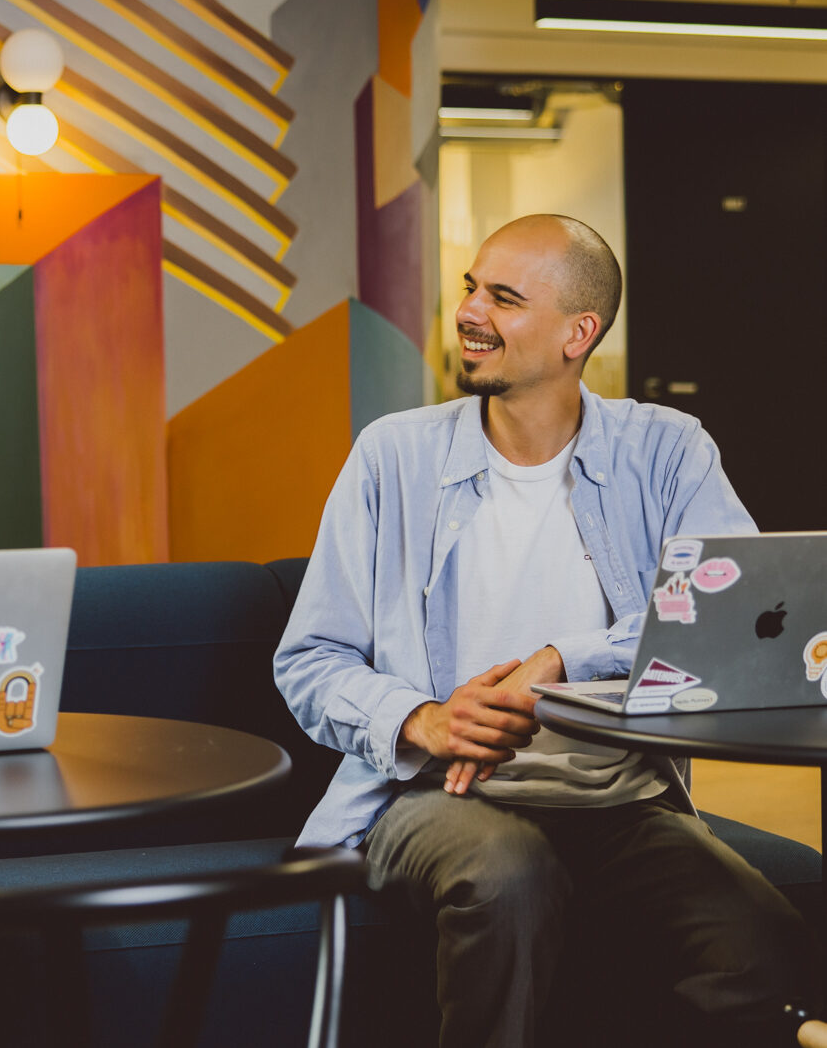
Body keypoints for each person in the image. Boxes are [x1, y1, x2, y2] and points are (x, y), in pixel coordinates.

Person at [274, 213, 814, 1047]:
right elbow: (310, 657)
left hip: (622, 802)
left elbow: (732, 620)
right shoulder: (392, 458)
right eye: (469, 286)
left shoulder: (667, 450)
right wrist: (424, 720)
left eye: (502, 296)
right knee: (506, 877)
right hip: (434, 795)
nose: (468, 310)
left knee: (761, 940)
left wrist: (562, 660)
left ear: (578, 332)